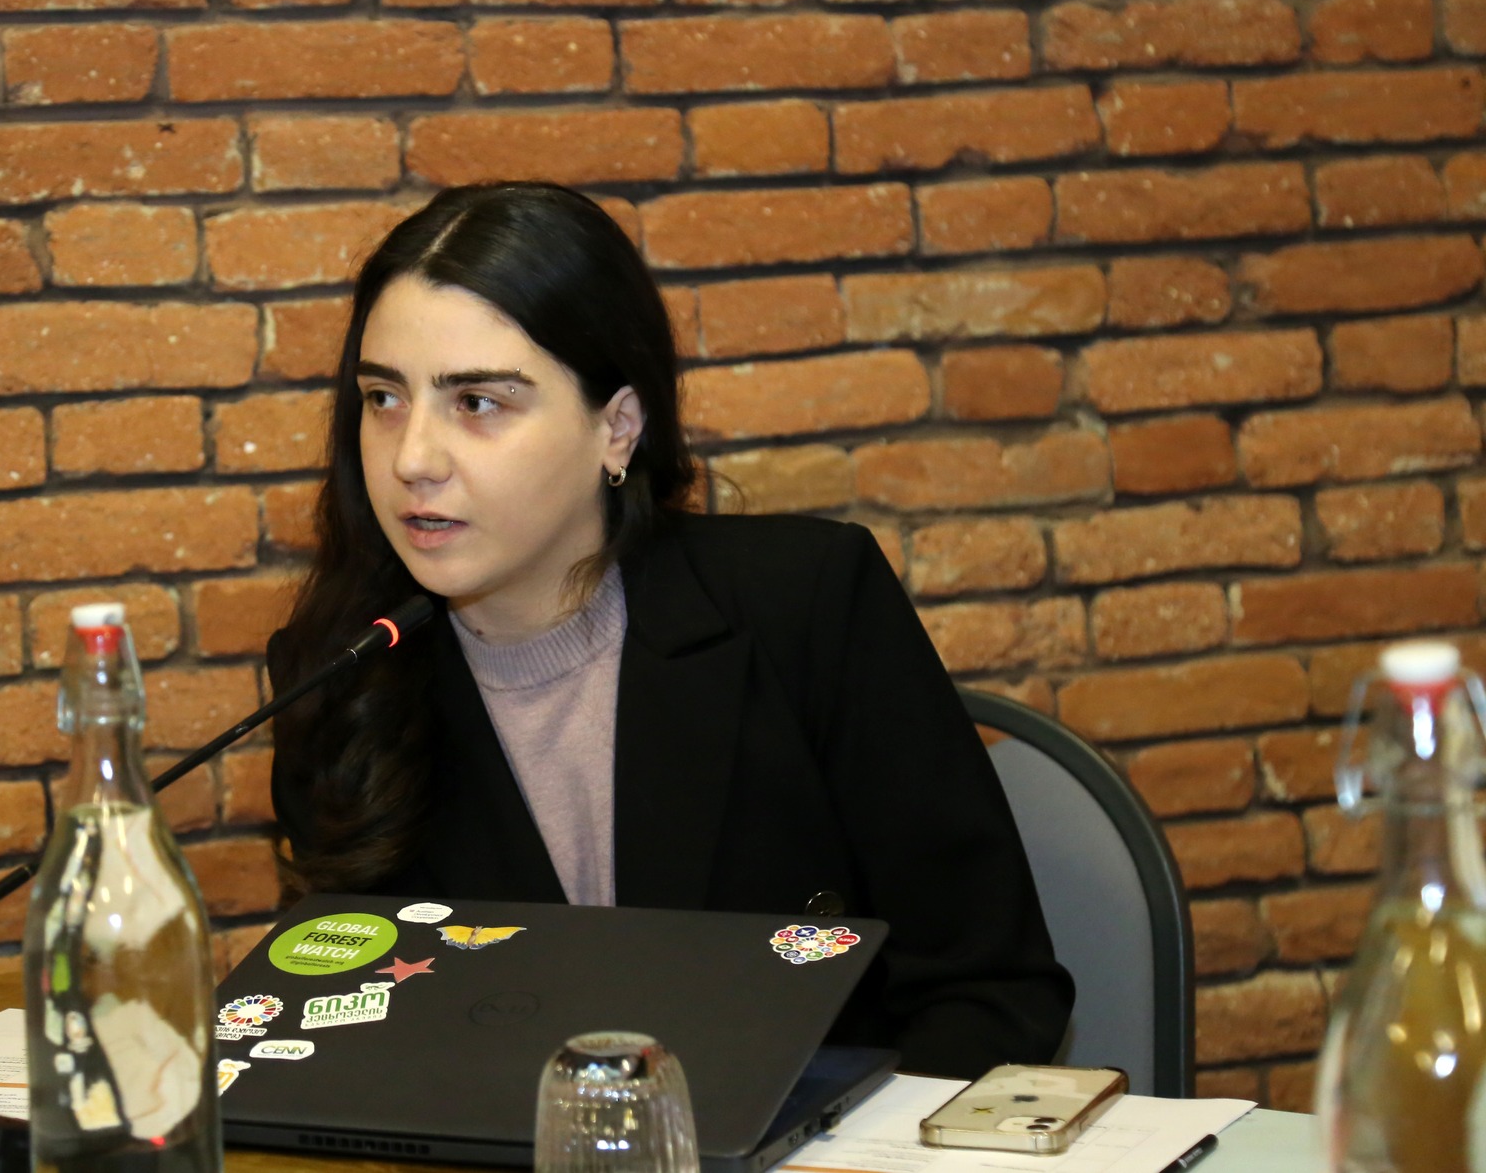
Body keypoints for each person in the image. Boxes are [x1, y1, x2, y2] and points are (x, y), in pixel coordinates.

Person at [266, 181, 1073, 1081]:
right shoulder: (338, 673)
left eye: (478, 402)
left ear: (617, 428)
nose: (413, 457)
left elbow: (991, 993)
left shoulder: (805, 604)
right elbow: (359, 1038)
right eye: (384, 398)